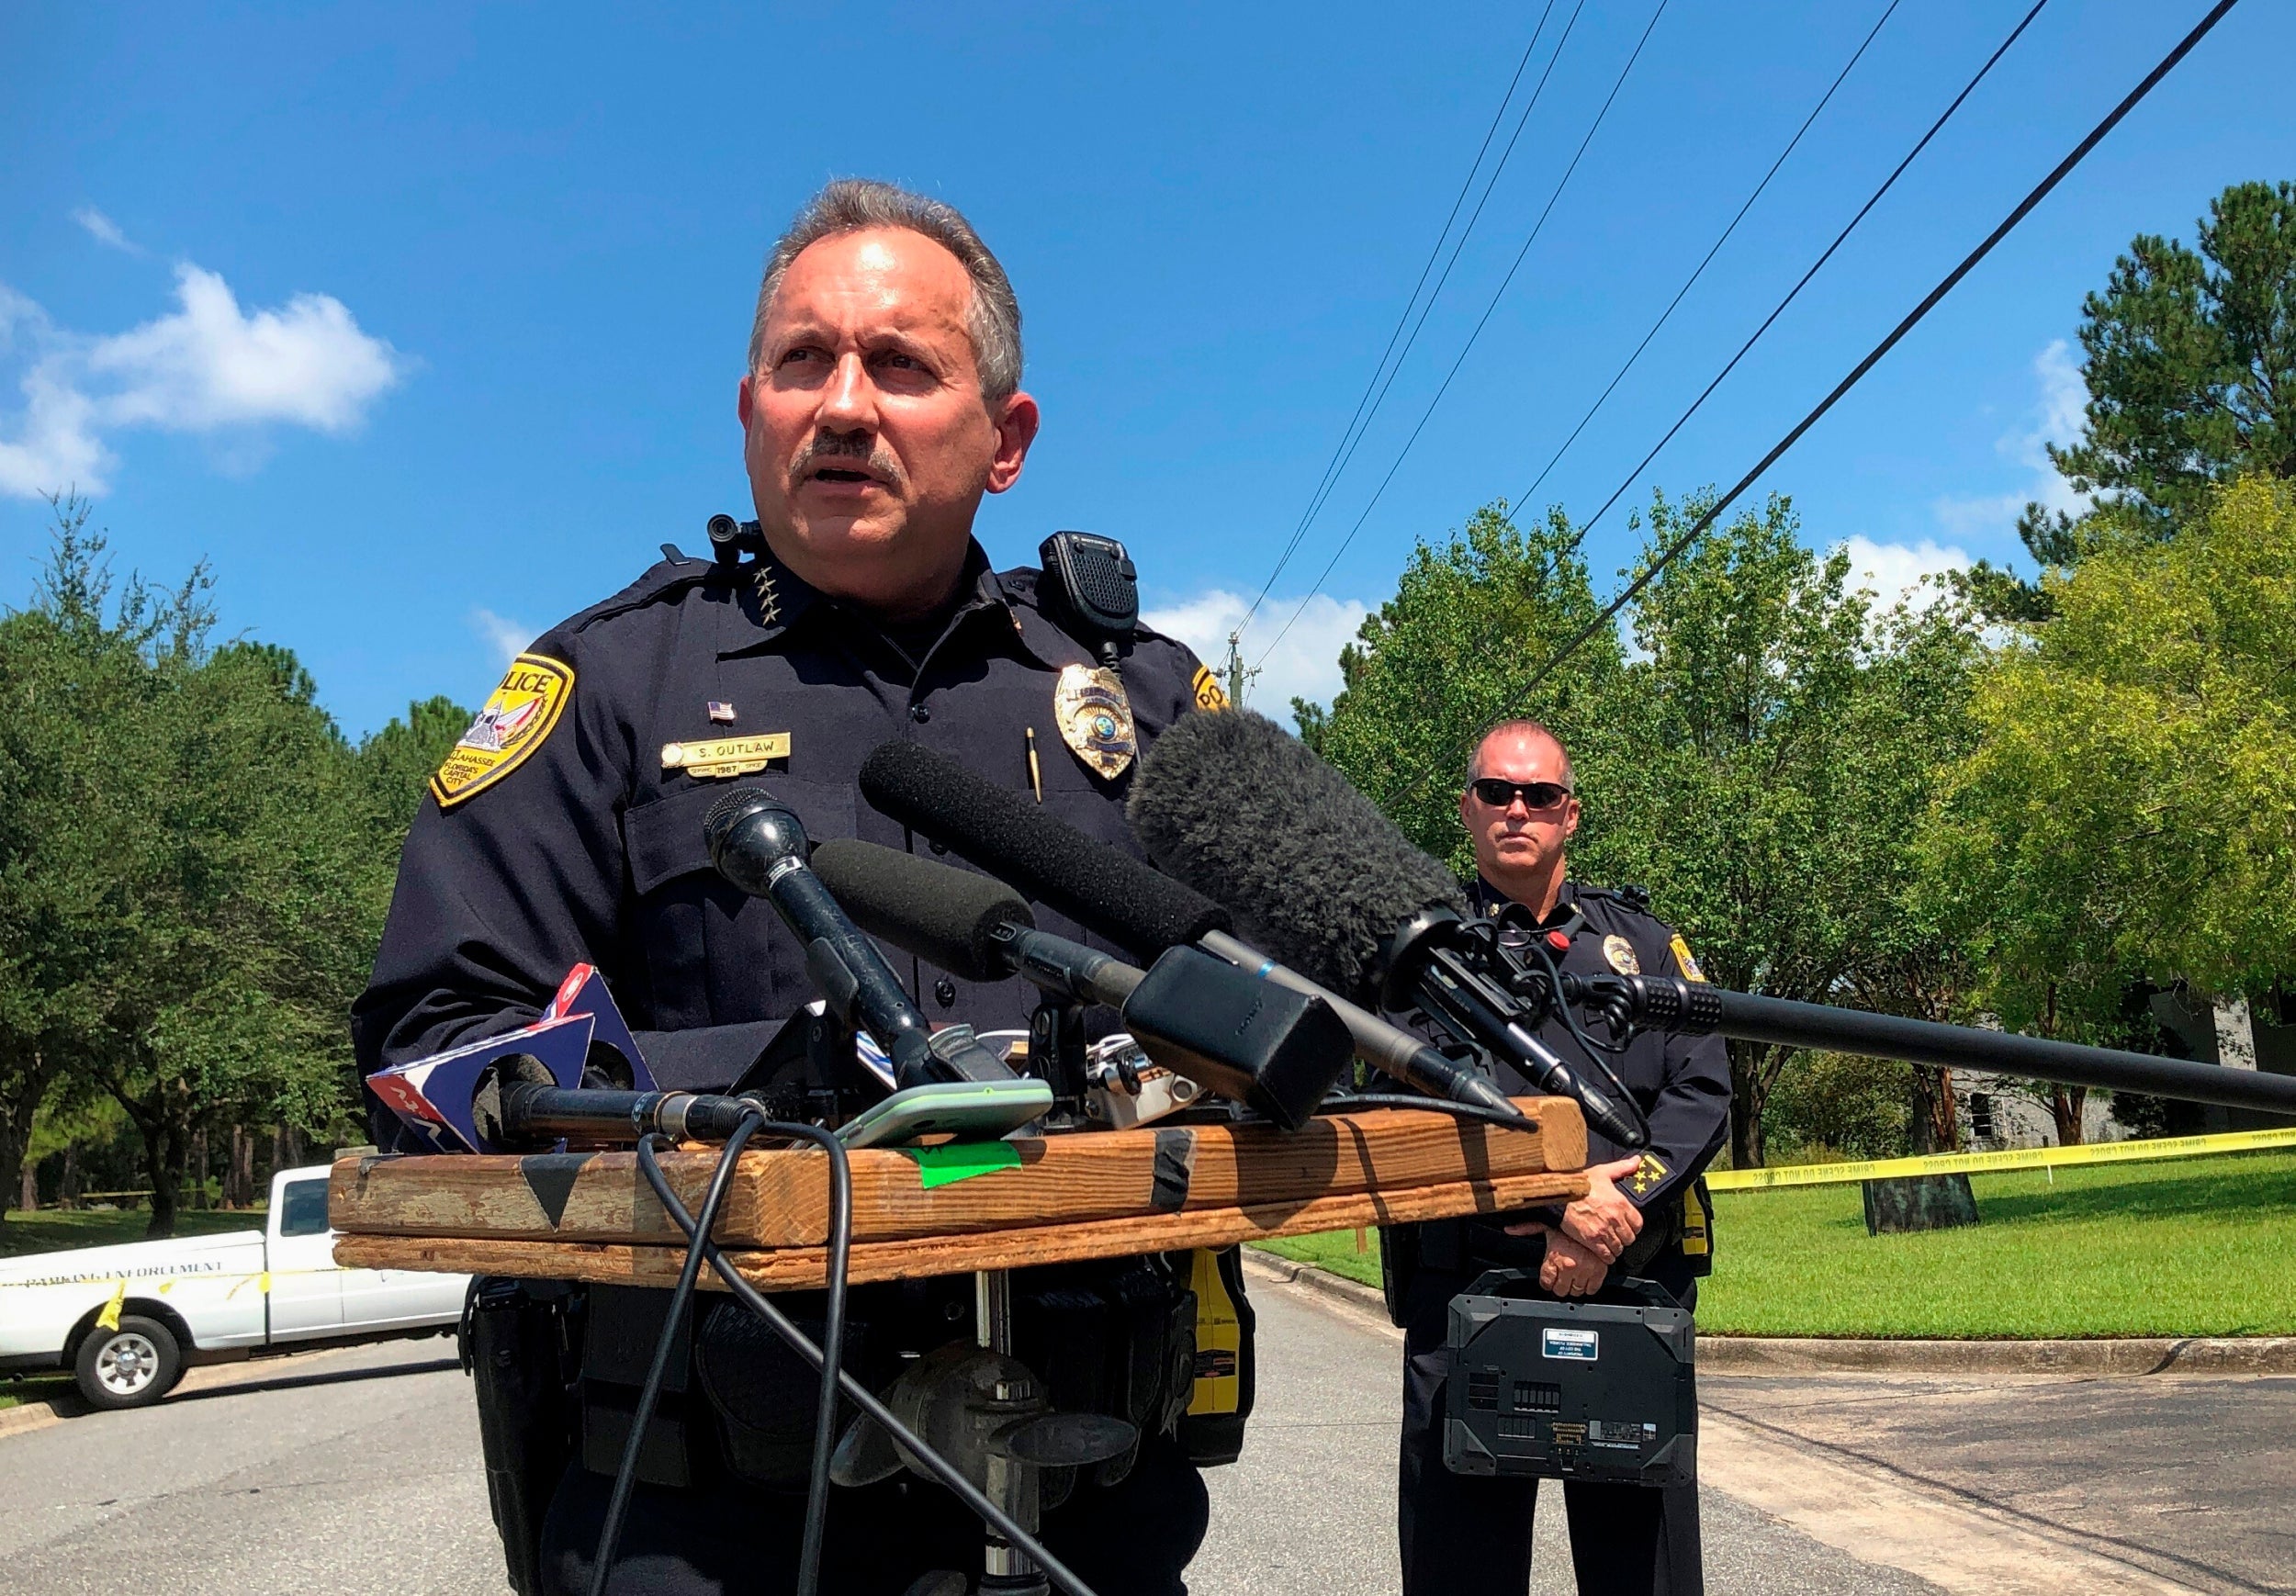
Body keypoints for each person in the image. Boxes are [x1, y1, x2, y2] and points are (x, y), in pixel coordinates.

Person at [353, 180, 1245, 1596]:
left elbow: (1329, 978)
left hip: (1091, 1509)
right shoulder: (609, 684)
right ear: (749, 409)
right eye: (801, 362)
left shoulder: (1135, 695)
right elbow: (433, 1050)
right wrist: (806, 1082)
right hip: (711, 1517)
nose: (843, 403)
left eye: (900, 363)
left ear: (1006, 440)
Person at [1386, 719, 1730, 1596]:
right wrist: (1555, 1206)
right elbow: (1412, 1105)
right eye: (1496, 791)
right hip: (1467, 1292)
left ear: (1569, 815)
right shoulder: (1418, 953)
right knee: (1459, 1573)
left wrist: (1612, 1215)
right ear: (1467, 808)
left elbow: (1701, 1093)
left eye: (1539, 794)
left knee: (1642, 1573)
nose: (1517, 810)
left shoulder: (1644, 947)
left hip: (1631, 1286)